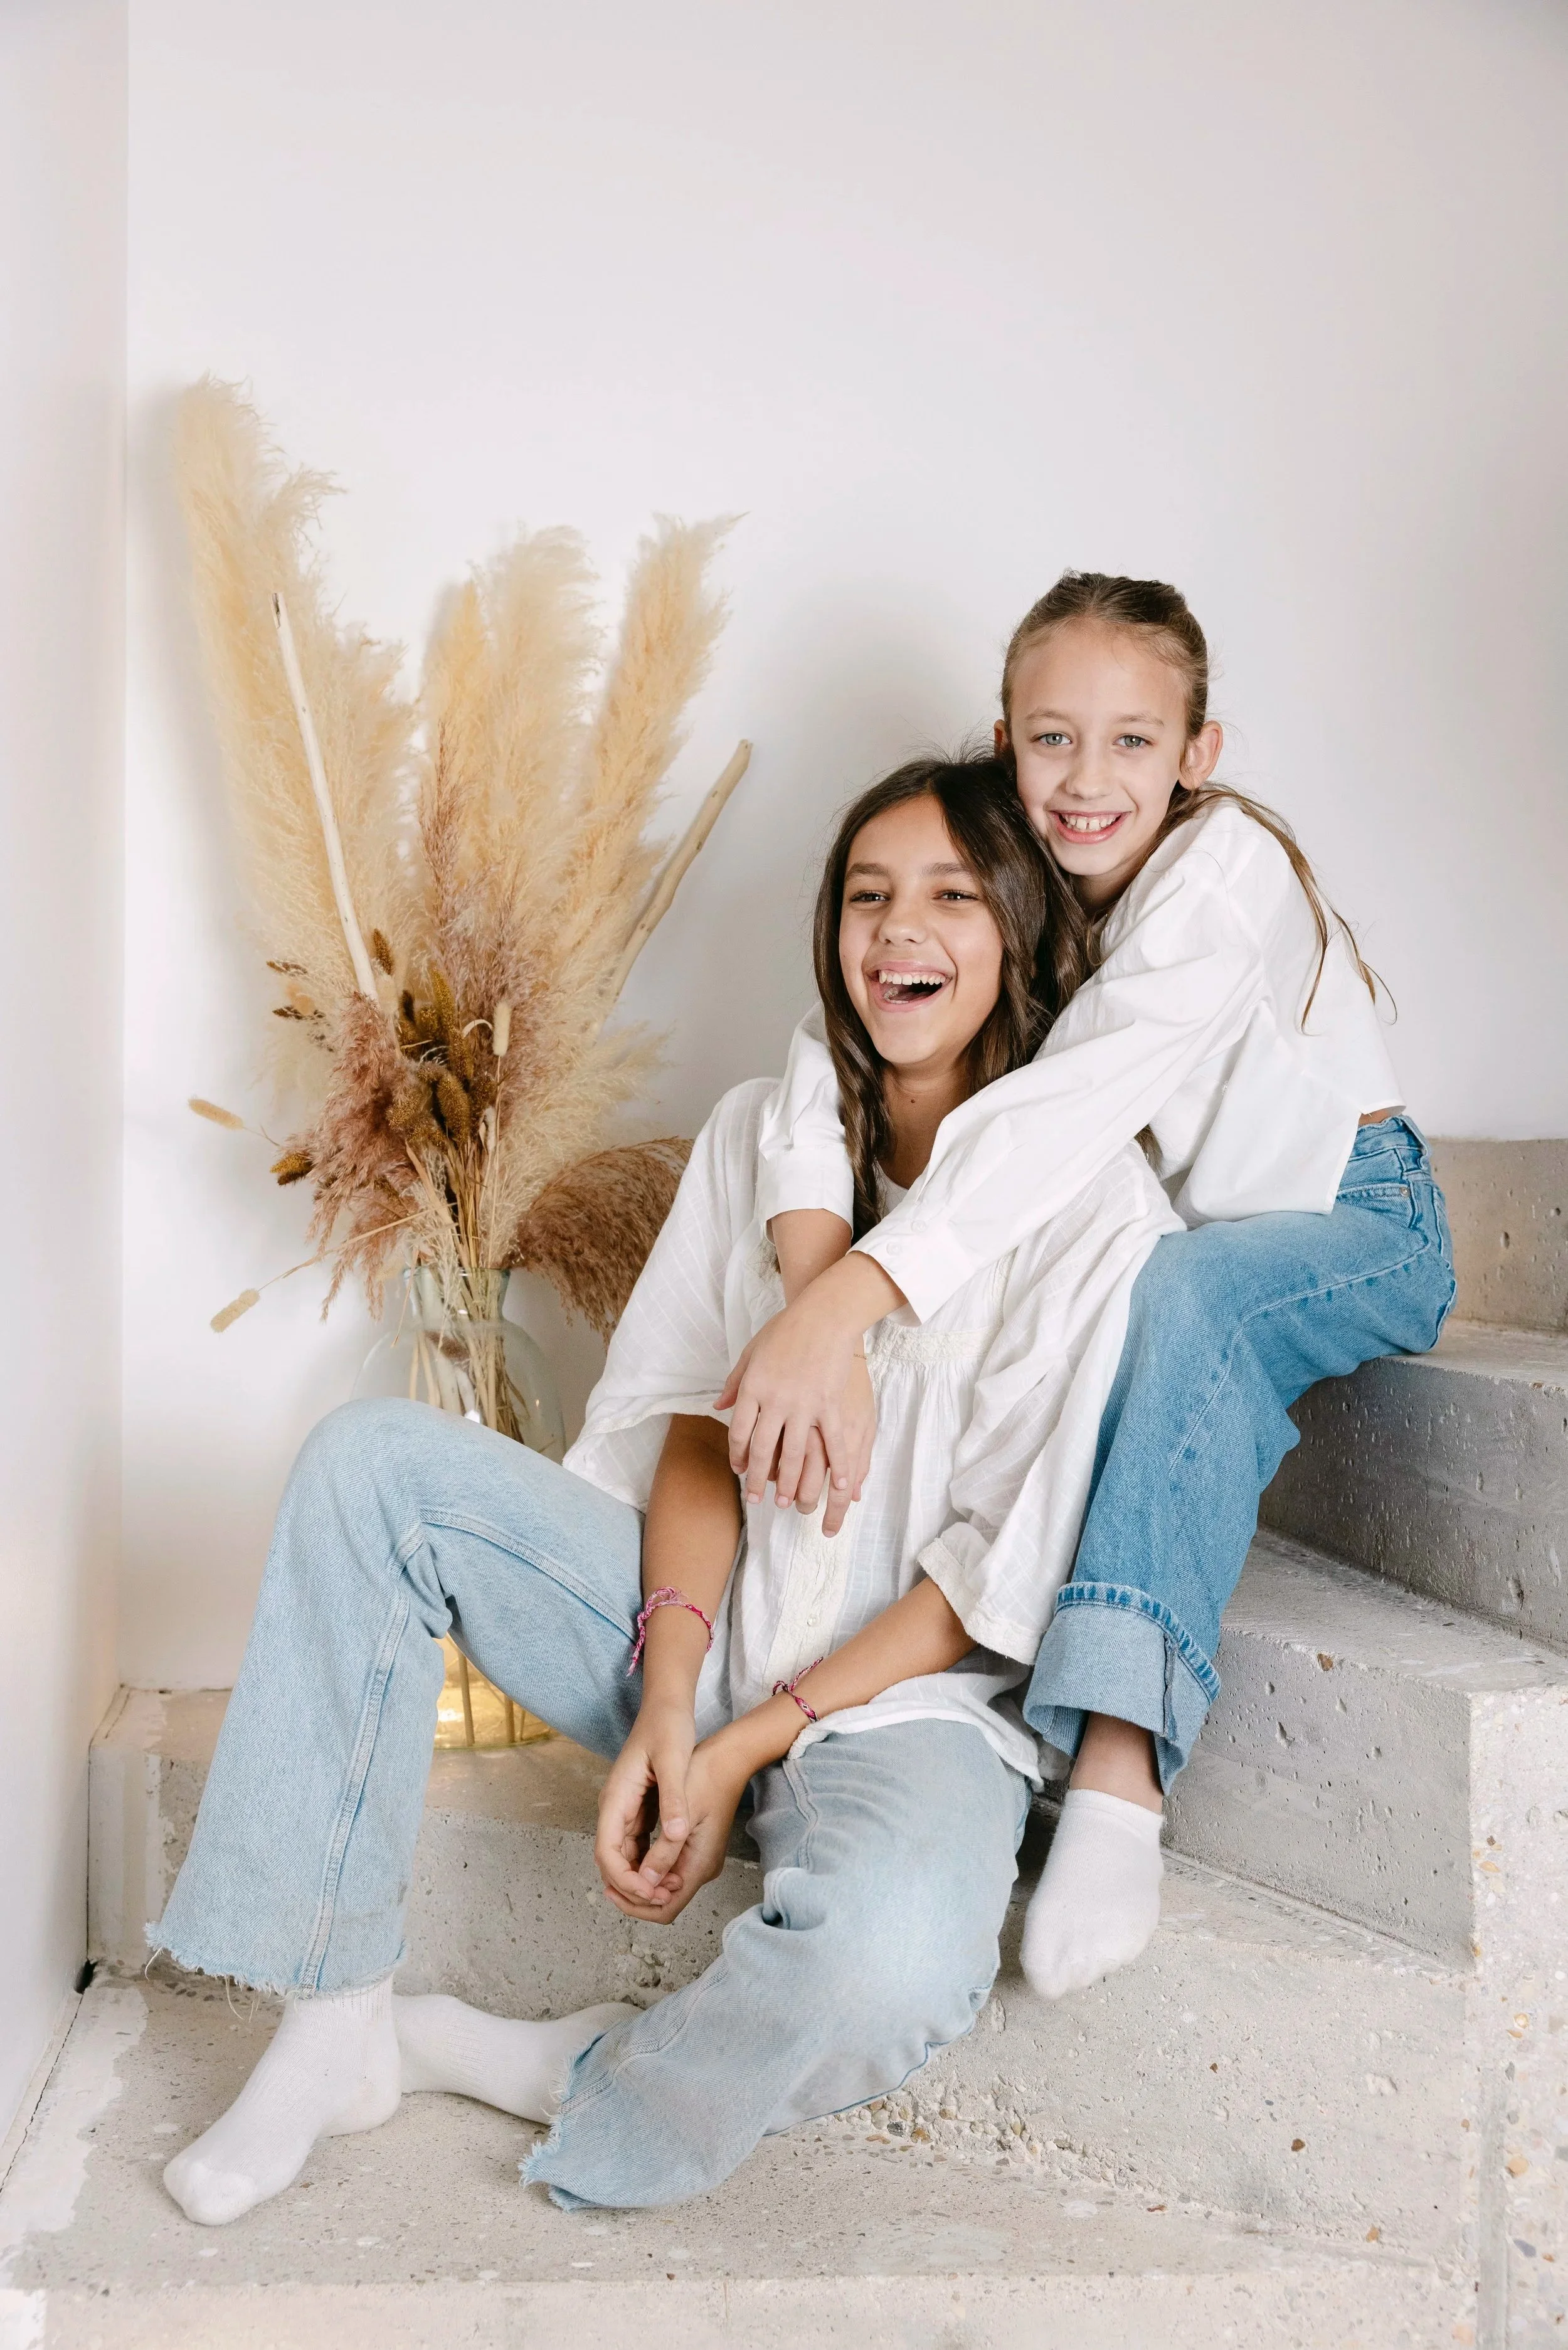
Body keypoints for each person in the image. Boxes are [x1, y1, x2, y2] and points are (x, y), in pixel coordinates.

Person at [153, 754, 1180, 2223]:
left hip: (910, 1707)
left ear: (1020, 933)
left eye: (953, 897)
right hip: (696, 1629)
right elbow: (692, 1432)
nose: (900, 930)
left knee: (888, 1960)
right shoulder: (765, 1130)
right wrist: (663, 1706)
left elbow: (988, 1581)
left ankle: (538, 2065)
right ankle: (329, 2022)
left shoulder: (1093, 1212)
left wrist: (741, 1747)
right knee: (370, 1465)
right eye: (867, 895)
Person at [723, 572, 1456, 2003]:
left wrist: (838, 1306)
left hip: (1352, 1215)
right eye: (1052, 737)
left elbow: (1055, 1116)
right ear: (1003, 739)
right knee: (1144, 1276)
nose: (1086, 777)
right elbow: (836, 1047)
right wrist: (808, 1254)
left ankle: (1117, 1764)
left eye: (1132, 741)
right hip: (1183, 1239)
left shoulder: (1220, 873)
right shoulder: (1017, 882)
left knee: (1176, 1295)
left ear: (1199, 756)